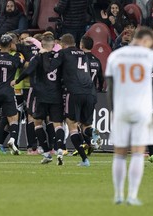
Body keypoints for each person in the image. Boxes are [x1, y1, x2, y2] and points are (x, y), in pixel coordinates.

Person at [105, 27, 153, 205]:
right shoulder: (149, 55)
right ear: (146, 40)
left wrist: (113, 109)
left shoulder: (116, 55)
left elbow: (110, 86)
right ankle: (132, 195)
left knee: (120, 153)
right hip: (142, 109)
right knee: (138, 153)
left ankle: (118, 195)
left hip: (122, 108)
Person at [42, 33, 102, 167]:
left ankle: (85, 160)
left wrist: (45, 54)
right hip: (90, 92)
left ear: (62, 44)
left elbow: (49, 68)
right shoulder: (83, 54)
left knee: (72, 125)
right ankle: (92, 133)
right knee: (85, 125)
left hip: (74, 92)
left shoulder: (63, 53)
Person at [12, 35, 65, 165]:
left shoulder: (38, 57)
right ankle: (59, 150)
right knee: (58, 124)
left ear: (41, 44)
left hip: (41, 95)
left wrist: (16, 81)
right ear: (53, 45)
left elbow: (28, 71)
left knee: (37, 123)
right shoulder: (60, 57)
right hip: (56, 94)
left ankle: (46, 153)